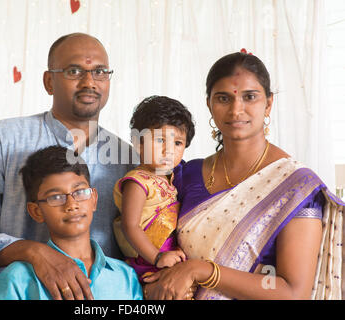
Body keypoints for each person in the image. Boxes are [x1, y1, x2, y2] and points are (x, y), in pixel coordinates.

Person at [0, 33, 136, 300]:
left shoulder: (126, 158)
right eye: (74, 71)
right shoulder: (3, 139)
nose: (89, 82)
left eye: (100, 72)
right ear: (49, 81)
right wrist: (34, 252)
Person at [143, 50, 344, 300]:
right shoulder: (187, 174)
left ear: (269, 103)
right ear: (209, 104)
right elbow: (156, 247)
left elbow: (293, 293)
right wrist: (151, 285)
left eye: (250, 97)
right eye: (223, 98)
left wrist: (201, 270)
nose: (236, 109)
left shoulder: (295, 185)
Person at [0, 146, 143, 300]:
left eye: (80, 192)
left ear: (93, 199)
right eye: (55, 197)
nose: (71, 204)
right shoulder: (17, 279)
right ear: (36, 211)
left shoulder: (126, 276)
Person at [112, 96, 195, 281]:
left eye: (178, 143)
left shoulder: (172, 178)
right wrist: (157, 257)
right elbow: (130, 225)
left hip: (172, 257)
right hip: (148, 261)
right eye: (160, 140)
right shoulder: (137, 182)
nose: (169, 150)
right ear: (139, 143)